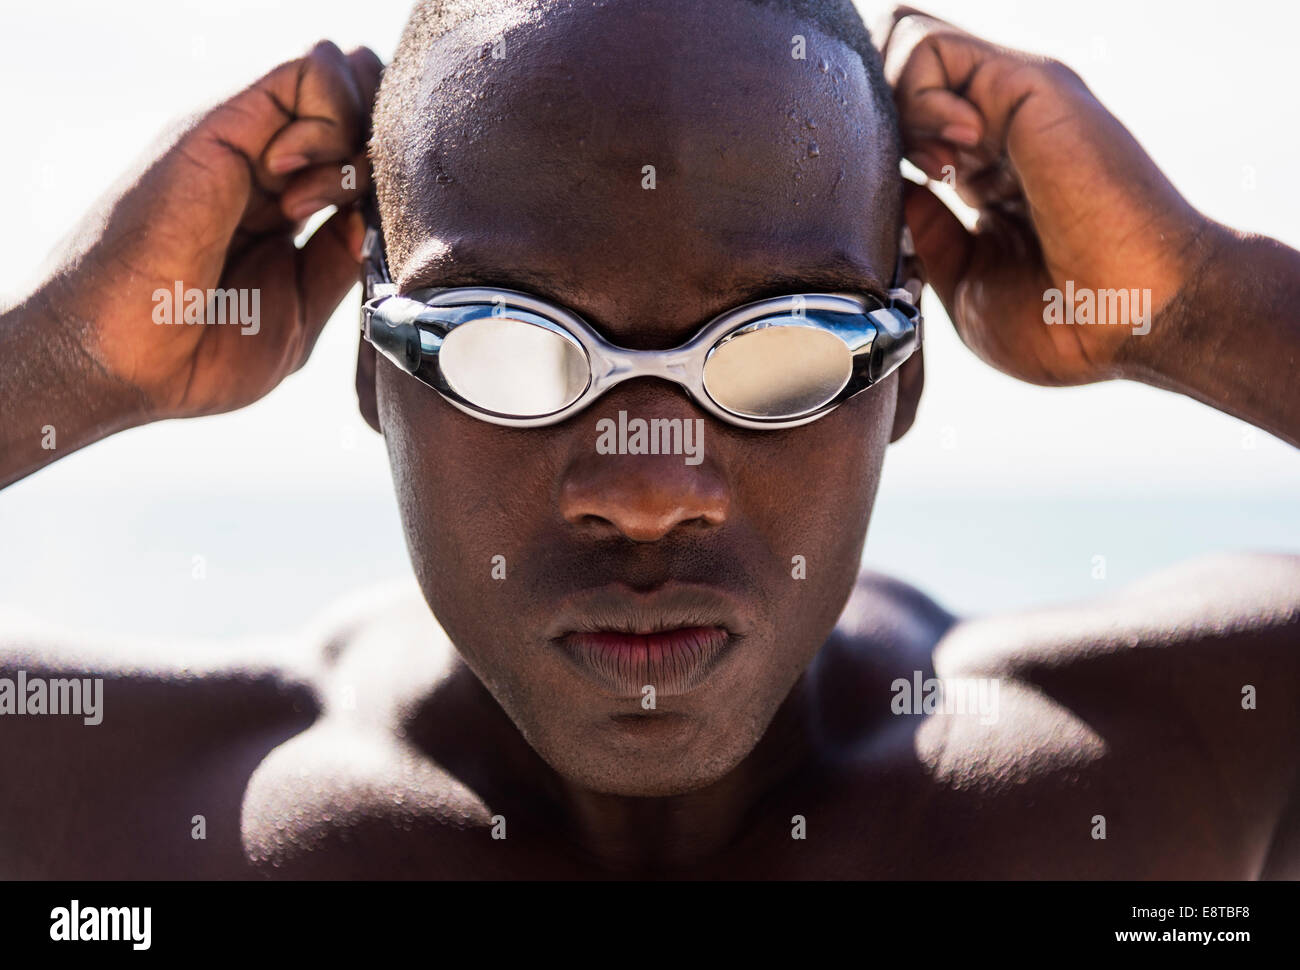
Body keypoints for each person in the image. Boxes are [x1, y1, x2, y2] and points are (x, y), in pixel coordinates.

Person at [1, 0, 1296, 879]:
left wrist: (1201, 306)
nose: (644, 488)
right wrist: (55, 359)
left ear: (902, 378)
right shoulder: (122, 810)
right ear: (371, 366)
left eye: (781, 346)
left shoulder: (1151, 771)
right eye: (508, 344)